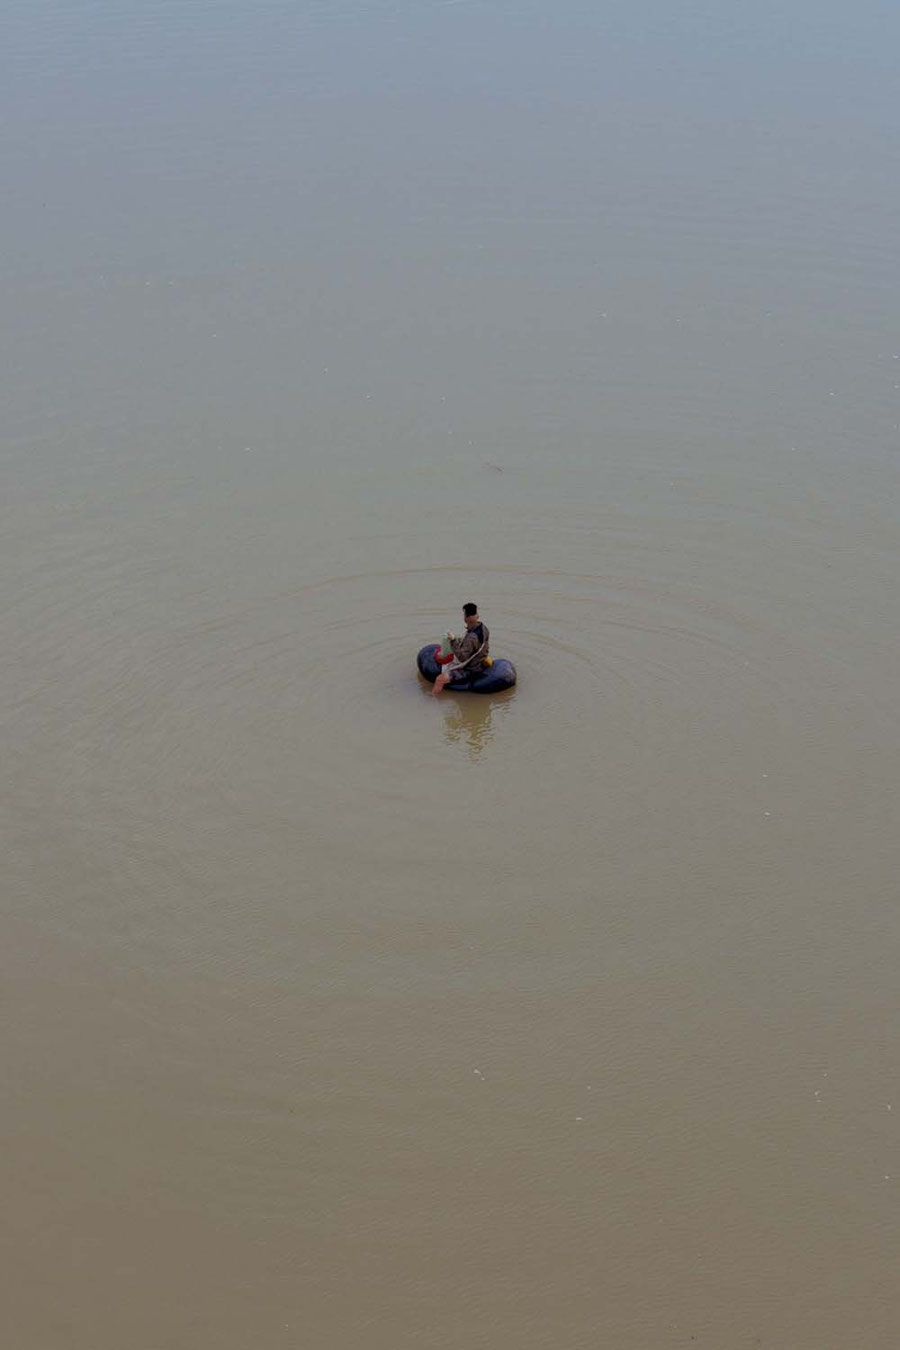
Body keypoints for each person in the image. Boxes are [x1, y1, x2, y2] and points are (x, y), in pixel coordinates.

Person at [432, 602, 490, 695]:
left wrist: (452, 641)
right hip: (480, 662)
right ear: (477, 615)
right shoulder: (484, 628)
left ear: (466, 618)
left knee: (439, 679)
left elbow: (462, 657)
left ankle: (432, 701)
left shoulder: (471, 638)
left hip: (471, 670)